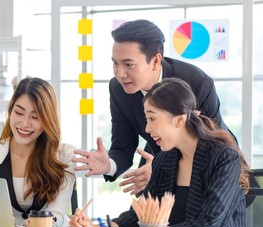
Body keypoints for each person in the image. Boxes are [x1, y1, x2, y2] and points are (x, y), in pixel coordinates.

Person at [69, 77, 249, 227]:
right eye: (146, 119)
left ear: (179, 120)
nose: (147, 128)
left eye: (152, 119)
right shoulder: (165, 158)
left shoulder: (224, 157)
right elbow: (139, 217)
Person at [72, 19, 236, 195]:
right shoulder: (118, 88)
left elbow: (214, 148)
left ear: (156, 60)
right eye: (115, 63)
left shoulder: (197, 83)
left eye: (128, 64)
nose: (120, 74)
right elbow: (123, 146)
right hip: (156, 161)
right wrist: (108, 165)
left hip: (210, 174)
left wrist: (164, 167)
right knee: (140, 218)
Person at [0, 77, 76, 227]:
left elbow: (57, 212)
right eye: (19, 112)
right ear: (10, 111)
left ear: (48, 119)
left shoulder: (65, 155)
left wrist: (45, 222)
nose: (25, 123)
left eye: (35, 117)